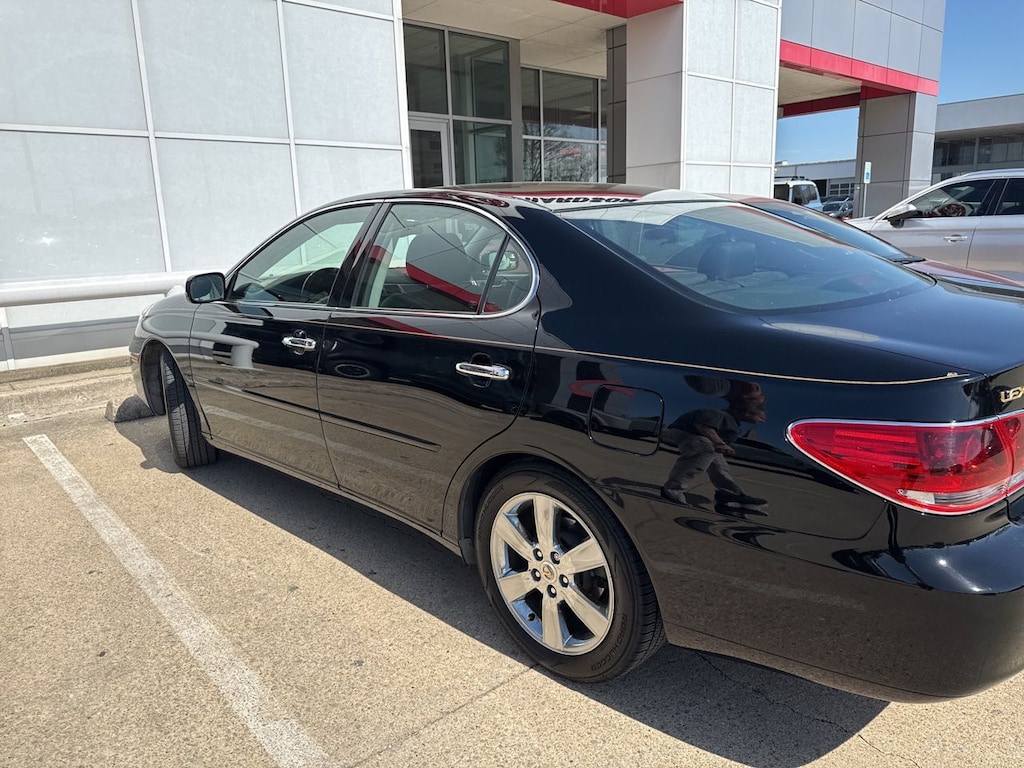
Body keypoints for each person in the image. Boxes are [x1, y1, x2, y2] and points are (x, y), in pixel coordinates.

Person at [661, 389, 767, 508]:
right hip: (684, 432)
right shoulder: (719, 414)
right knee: (705, 449)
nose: (762, 418)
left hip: (704, 439)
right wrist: (719, 443)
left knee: (720, 466)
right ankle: (672, 489)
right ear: (747, 412)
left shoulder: (733, 423)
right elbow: (704, 426)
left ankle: (731, 494)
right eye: (758, 414)